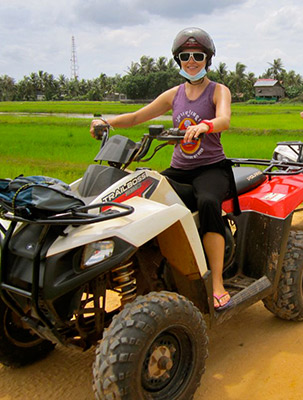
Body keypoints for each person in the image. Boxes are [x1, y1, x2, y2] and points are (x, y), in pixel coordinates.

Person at [89, 27, 233, 311]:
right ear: (178, 59)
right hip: (179, 170)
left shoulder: (218, 91)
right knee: (141, 193)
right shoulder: (174, 94)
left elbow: (224, 119)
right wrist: (108, 122)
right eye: (185, 56)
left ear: (207, 59)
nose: (191, 61)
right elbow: (137, 116)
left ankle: (216, 282)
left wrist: (205, 125)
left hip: (212, 169)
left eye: (198, 55)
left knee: (207, 203)